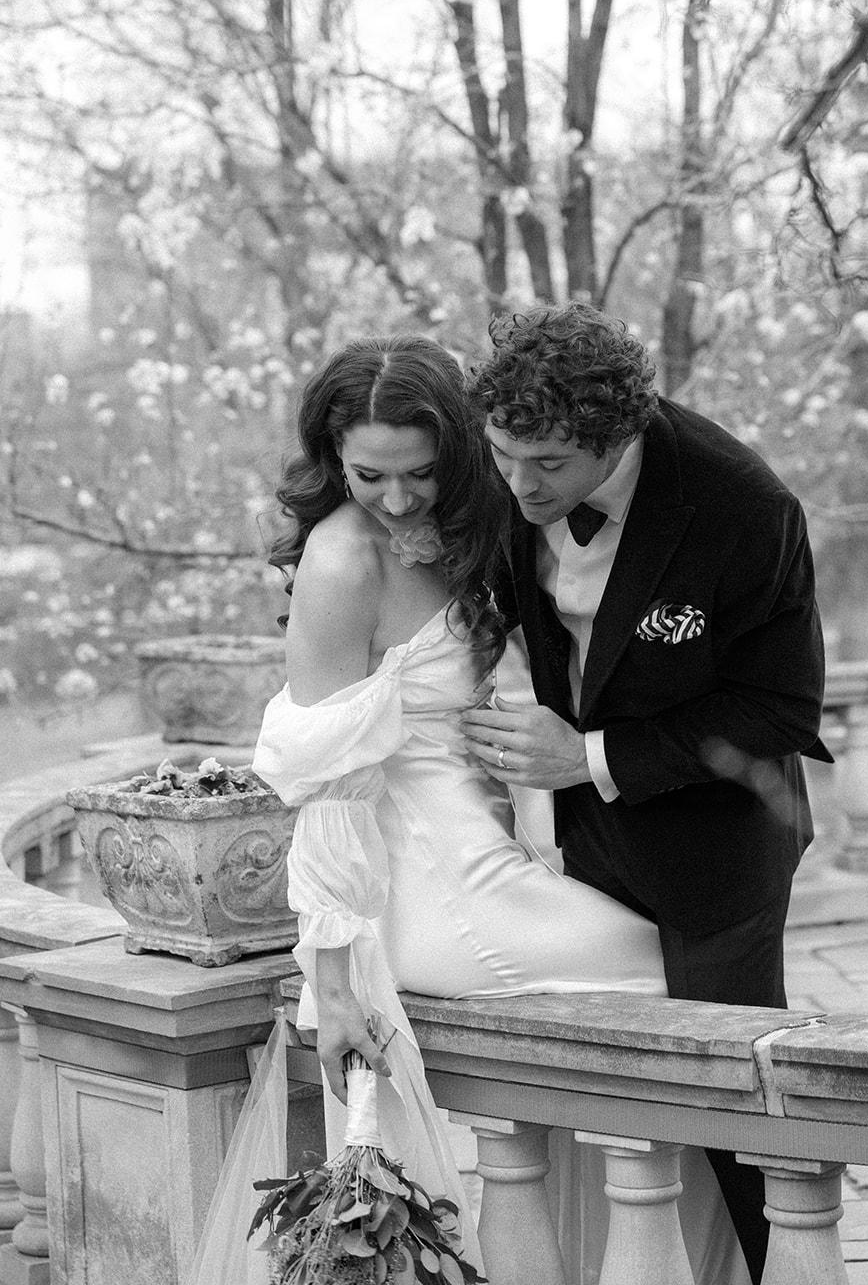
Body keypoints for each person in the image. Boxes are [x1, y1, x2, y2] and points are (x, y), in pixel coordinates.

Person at [193, 335, 747, 1285]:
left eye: (420, 472)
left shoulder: (469, 523)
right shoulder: (340, 562)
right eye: (369, 475)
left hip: (493, 860)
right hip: (431, 894)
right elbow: (327, 791)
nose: (397, 499)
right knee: (685, 983)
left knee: (706, 979)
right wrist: (334, 986)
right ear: (332, 458)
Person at [462, 302, 831, 1285]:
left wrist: (590, 754)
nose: (517, 485)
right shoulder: (515, 462)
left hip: (719, 849)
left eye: (547, 465)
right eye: (502, 455)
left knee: (730, 1105)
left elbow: (780, 709)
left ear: (616, 433)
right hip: (583, 842)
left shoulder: (743, 508)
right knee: (606, 1091)